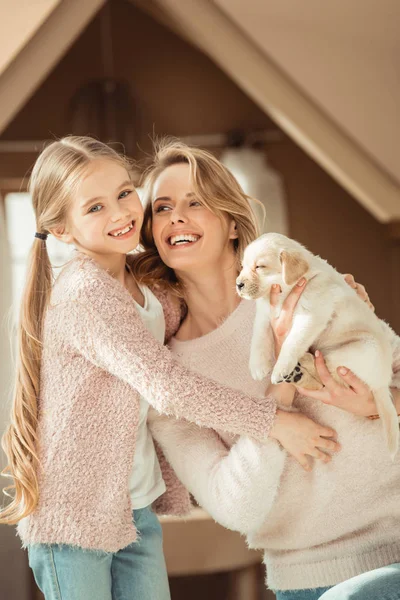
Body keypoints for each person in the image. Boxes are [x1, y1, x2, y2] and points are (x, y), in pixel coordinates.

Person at [0, 136, 337, 600]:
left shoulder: (149, 287)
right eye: (94, 208)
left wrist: (333, 299)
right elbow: (168, 386)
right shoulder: (84, 293)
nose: (120, 213)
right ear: (61, 229)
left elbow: (213, 300)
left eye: (123, 193)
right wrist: (275, 422)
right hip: (75, 513)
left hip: (134, 509)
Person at [132, 140, 400, 600]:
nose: (176, 216)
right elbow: (235, 505)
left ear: (232, 222)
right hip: (304, 580)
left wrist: (376, 405)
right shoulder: (170, 381)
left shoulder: (303, 290)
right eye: (162, 208)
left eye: (194, 202)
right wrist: (279, 403)